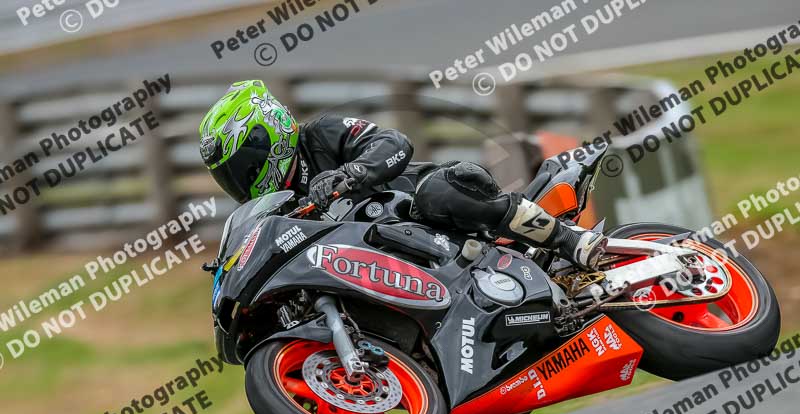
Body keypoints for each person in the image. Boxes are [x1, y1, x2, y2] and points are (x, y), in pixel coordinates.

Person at [199, 80, 606, 269]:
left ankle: (571, 241)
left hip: (438, 204)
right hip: (398, 259)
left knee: (436, 193)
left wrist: (349, 174)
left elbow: (394, 142)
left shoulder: (320, 135)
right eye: (227, 177)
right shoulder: (279, 212)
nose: (238, 183)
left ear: (265, 138)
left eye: (242, 168)